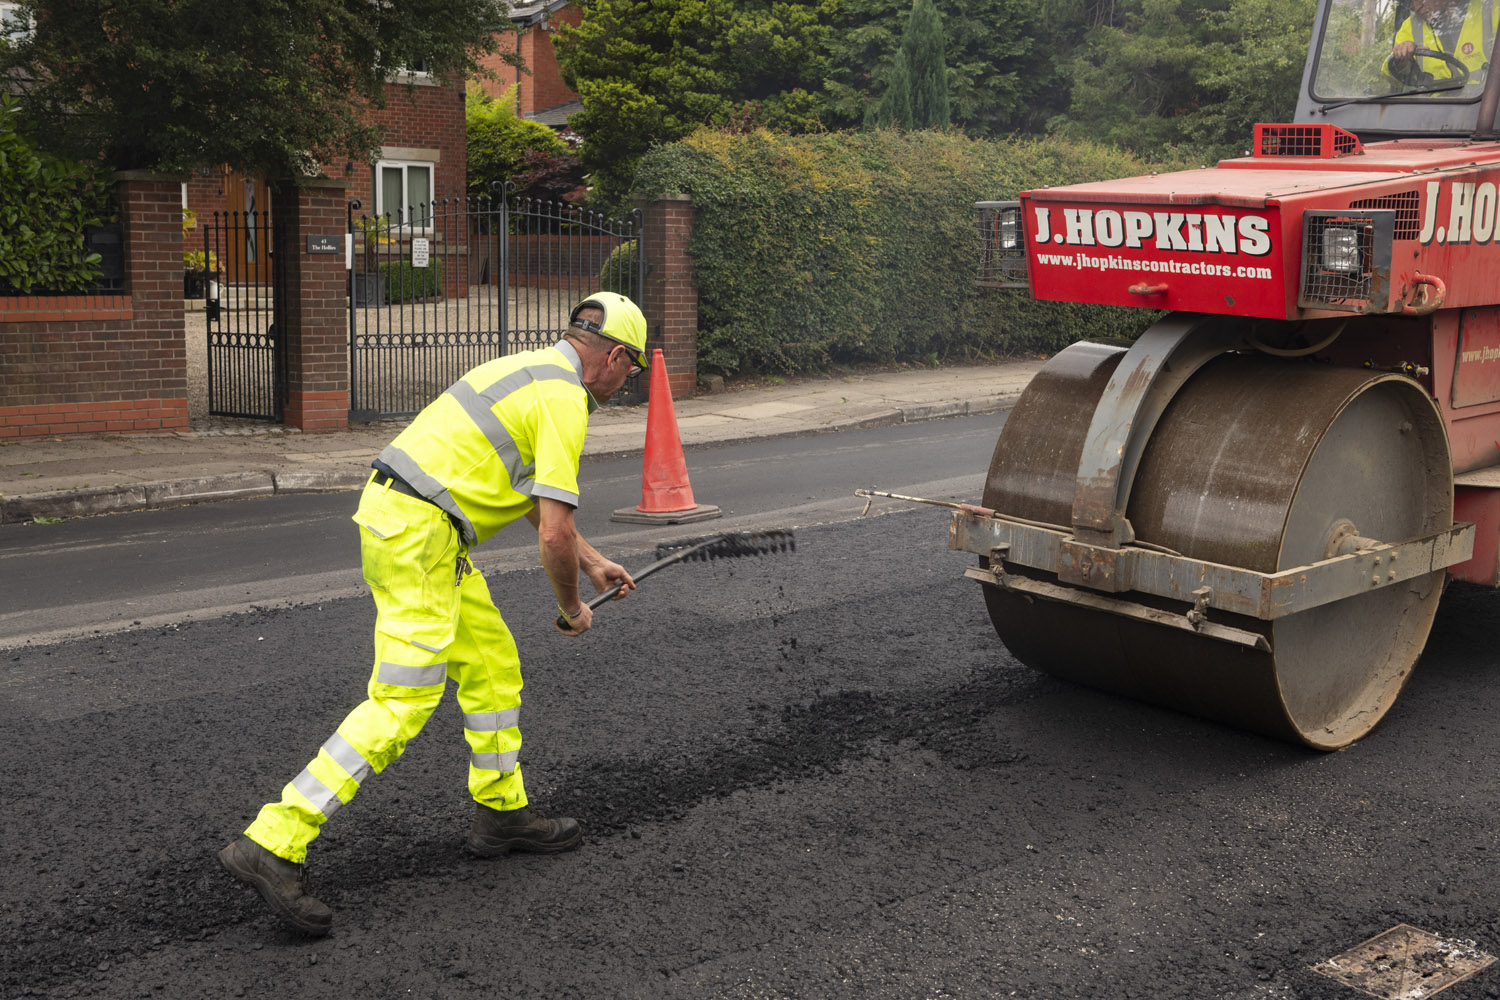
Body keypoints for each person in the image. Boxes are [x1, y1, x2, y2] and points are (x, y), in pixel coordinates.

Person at [218, 292, 649, 937]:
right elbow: (553, 531)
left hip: (420, 528)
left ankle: (501, 811)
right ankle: (274, 840)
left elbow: (528, 491)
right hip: (421, 536)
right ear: (615, 355)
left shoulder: (527, 370)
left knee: (492, 666)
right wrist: (570, 607)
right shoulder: (565, 400)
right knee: (404, 698)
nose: (628, 382)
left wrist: (591, 564)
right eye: (632, 370)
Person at [1387, 0, 1496, 85]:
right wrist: (1400, 62)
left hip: (1485, 103)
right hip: (1438, 105)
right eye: (1410, 2)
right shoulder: (1410, 27)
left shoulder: (1491, 9)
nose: (1416, 7)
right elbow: (1389, 76)